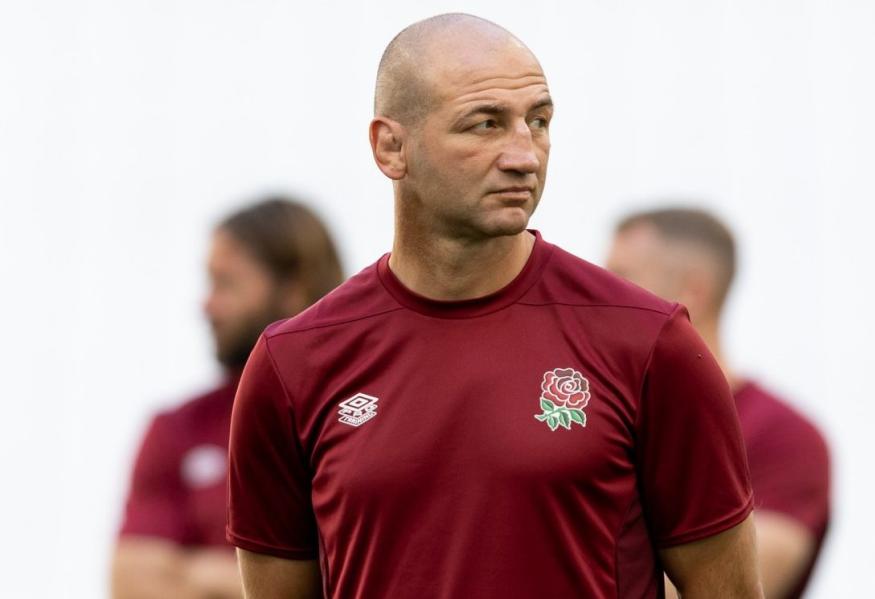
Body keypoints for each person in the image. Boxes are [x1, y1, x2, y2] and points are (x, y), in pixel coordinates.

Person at [227, 14, 763, 599]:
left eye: (539, 121)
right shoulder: (293, 363)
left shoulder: (649, 343)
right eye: (484, 125)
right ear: (390, 146)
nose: (524, 155)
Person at [111, 198, 344, 599]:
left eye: (226, 284)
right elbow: (134, 585)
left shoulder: (364, 414)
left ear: (293, 289)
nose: (207, 304)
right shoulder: (180, 427)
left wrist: (201, 573)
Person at [606, 206, 830, 599]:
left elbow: (738, 584)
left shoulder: (782, 435)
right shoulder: (603, 416)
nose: (600, 296)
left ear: (693, 291)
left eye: (622, 279)